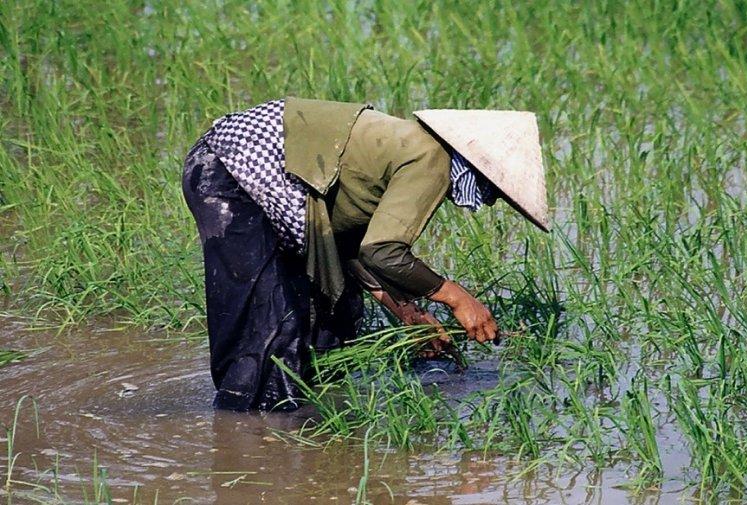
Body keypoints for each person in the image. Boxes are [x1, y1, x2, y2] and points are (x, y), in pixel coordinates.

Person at [181, 97, 548, 411]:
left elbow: (354, 245)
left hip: (273, 187)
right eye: (495, 191)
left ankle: (299, 424)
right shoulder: (431, 160)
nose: (491, 200)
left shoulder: (416, 148)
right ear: (480, 170)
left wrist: (408, 312)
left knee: (335, 316)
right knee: (268, 327)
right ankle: (244, 434)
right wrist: (457, 298)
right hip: (231, 169)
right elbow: (383, 252)